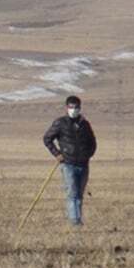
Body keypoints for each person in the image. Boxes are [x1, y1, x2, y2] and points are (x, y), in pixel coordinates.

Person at [42, 95, 96, 226]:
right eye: (71, 107)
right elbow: (47, 138)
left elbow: (92, 142)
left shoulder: (84, 124)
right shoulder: (60, 123)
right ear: (67, 108)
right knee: (72, 193)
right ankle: (75, 221)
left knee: (79, 194)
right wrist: (57, 154)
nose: (74, 110)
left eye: (76, 107)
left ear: (80, 108)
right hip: (68, 163)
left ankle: (77, 218)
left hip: (83, 164)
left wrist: (87, 155)